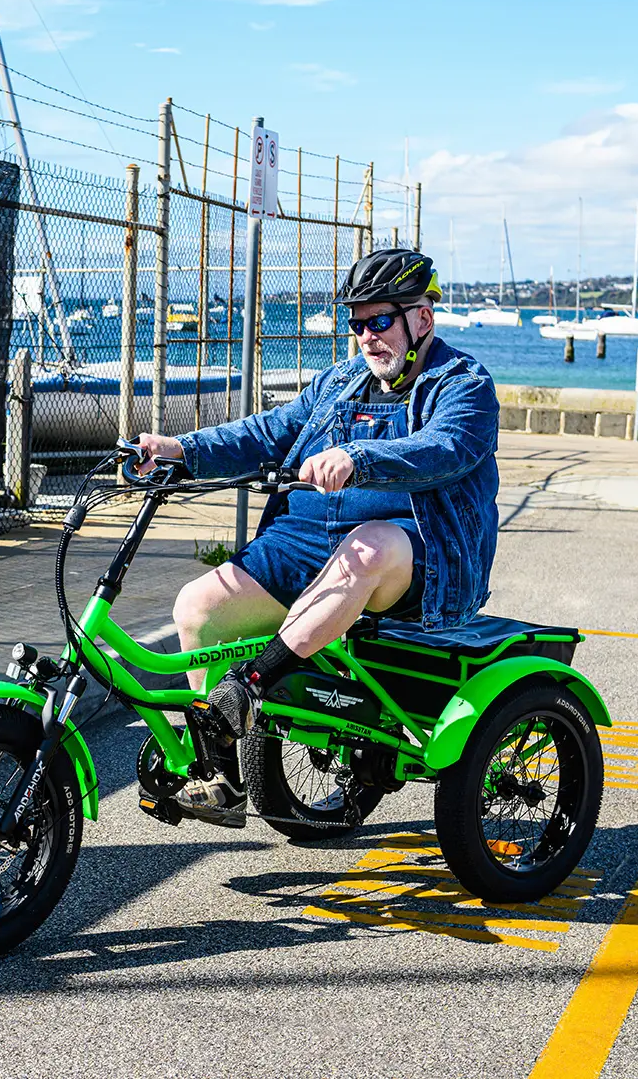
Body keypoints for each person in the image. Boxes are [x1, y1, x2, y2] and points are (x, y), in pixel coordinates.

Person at [133, 248, 500, 826]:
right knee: (200, 607)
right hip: (305, 539)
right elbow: (266, 433)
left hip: (417, 551)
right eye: (357, 324)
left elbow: (446, 448)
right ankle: (220, 777)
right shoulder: (337, 382)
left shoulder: (463, 385)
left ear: (421, 320)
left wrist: (359, 456)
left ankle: (249, 687)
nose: (366, 337)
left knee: (368, 547)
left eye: (380, 321)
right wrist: (183, 449)